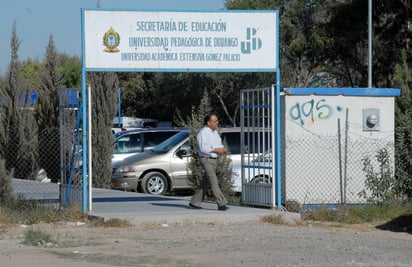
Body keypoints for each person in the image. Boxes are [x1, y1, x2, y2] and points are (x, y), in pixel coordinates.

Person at [189, 112, 229, 211]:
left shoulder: (215, 133)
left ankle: (195, 202)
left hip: (214, 160)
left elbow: (218, 144)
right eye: (215, 121)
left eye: (217, 120)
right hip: (206, 159)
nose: (217, 122)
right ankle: (221, 203)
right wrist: (216, 150)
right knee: (213, 180)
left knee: (206, 182)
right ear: (208, 122)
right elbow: (203, 148)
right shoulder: (203, 133)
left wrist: (223, 149)